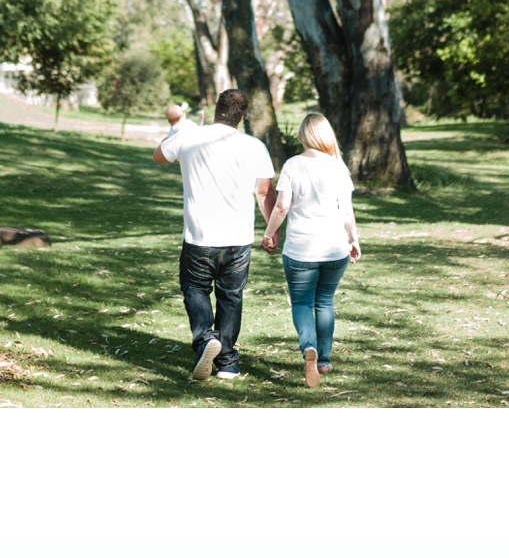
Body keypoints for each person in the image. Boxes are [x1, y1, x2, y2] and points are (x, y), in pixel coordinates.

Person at [153, 88, 277, 381]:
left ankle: (205, 338)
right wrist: (272, 231)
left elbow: (159, 156)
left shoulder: (189, 136)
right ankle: (228, 364)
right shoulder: (255, 146)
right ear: (242, 117)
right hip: (238, 238)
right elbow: (263, 192)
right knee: (230, 296)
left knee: (195, 290)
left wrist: (178, 130)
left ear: (216, 108)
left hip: (199, 236)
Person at [260, 112, 361, 389]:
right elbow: (347, 211)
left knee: (302, 303)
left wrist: (269, 234)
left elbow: (281, 207)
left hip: (300, 250)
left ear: (304, 135)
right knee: (325, 302)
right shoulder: (338, 167)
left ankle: (309, 349)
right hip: (334, 249)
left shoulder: (293, 165)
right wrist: (353, 240)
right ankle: (325, 359)